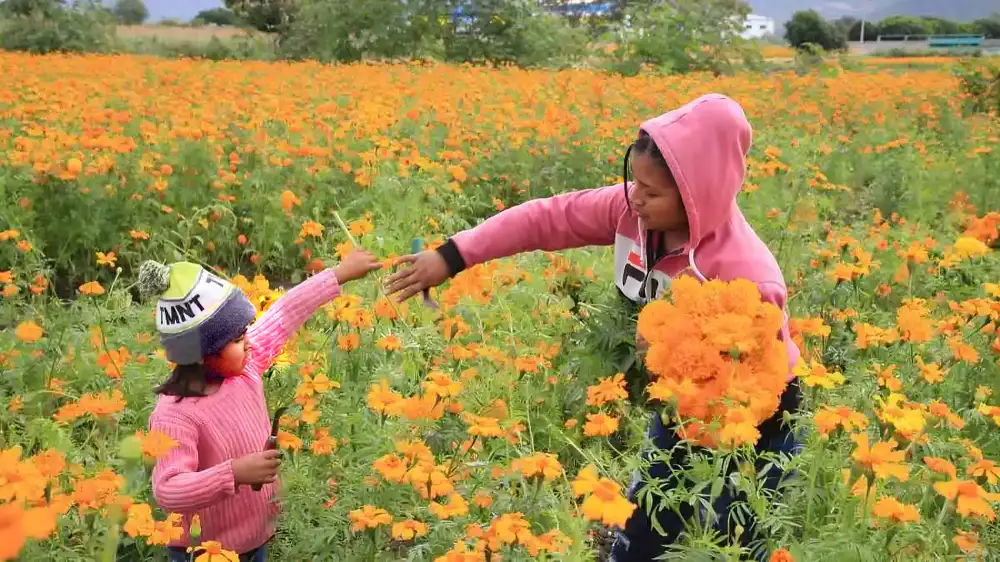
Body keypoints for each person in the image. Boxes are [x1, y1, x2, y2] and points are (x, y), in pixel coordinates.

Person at [386, 94, 802, 560]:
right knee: (642, 524)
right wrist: (452, 256)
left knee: (739, 537)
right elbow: (545, 218)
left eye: (653, 191)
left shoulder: (747, 272)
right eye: (634, 181)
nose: (635, 197)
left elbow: (749, 381)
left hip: (760, 412)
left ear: (696, 194)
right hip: (676, 399)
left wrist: (673, 346)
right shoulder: (630, 211)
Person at [138, 251, 382, 562]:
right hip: (204, 551)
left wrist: (337, 275)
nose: (250, 342)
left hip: (255, 536)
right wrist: (234, 473)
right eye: (239, 339)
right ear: (201, 354)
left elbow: (284, 313)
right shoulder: (175, 414)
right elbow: (168, 490)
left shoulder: (245, 366)